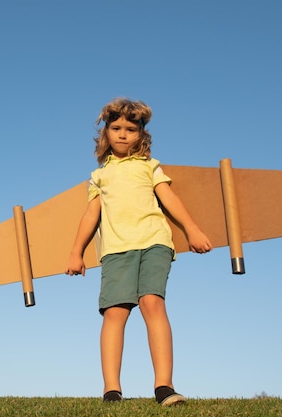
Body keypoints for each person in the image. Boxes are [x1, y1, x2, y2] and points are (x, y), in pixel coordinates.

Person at [65, 98, 212, 406]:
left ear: (141, 135)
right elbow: (91, 215)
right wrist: (76, 252)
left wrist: (192, 229)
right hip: (117, 250)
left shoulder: (149, 167)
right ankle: (112, 390)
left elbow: (169, 199)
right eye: (116, 128)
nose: (123, 134)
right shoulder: (99, 176)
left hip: (154, 242)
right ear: (105, 133)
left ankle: (164, 387)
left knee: (152, 303)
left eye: (131, 129)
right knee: (115, 313)